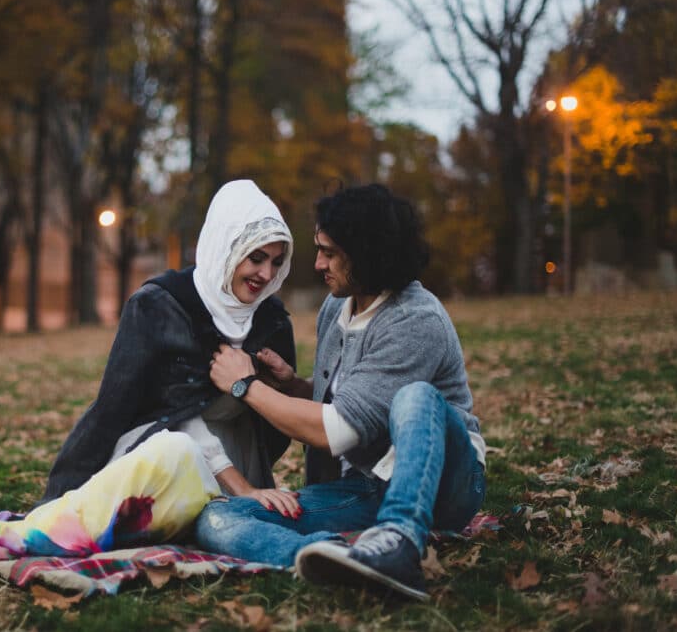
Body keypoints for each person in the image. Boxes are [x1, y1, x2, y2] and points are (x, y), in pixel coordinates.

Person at [0, 180, 302, 562]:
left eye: (276, 261)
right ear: (227, 245)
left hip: (238, 466)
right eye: (256, 258)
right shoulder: (162, 305)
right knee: (177, 451)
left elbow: (287, 419)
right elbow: (158, 414)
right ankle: (21, 538)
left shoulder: (271, 321)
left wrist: (281, 388)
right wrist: (243, 488)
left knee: (217, 518)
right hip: (162, 461)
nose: (266, 274)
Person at [195, 183, 486, 602]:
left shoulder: (415, 320)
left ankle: (400, 542)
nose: (317, 263)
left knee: (416, 397)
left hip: (446, 483)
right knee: (217, 518)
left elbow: (337, 431)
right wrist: (292, 386)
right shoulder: (337, 307)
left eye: (329, 252)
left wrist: (246, 386)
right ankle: (332, 561)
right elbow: (355, 401)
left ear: (367, 253)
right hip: (366, 485)